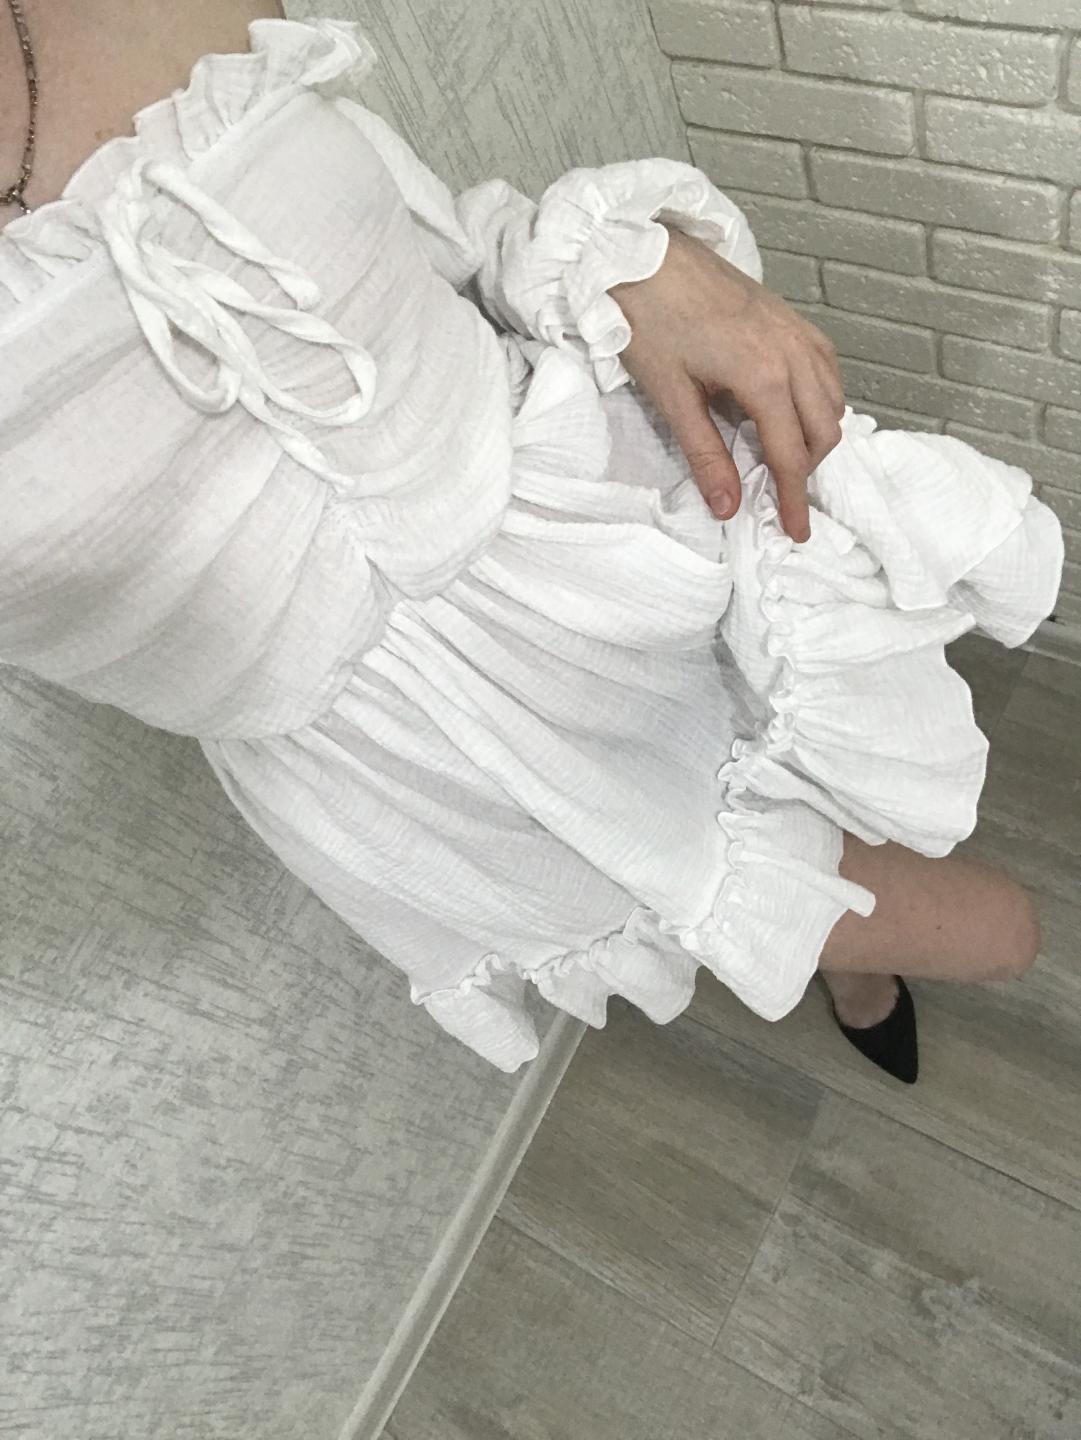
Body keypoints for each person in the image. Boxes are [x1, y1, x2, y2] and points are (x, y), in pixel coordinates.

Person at [0, 1, 1062, 1081]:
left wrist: (627, 273)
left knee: (839, 761)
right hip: (440, 766)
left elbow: (433, 245)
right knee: (990, 929)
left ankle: (833, 932)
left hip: (617, 522)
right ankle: (842, 950)